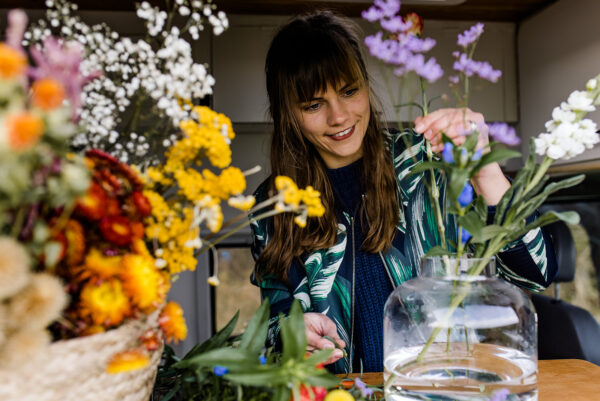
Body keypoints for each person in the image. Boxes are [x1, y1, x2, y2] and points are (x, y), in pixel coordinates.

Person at [249, 10, 557, 374]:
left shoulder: (429, 159)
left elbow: (537, 273)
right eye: (314, 105)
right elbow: (275, 324)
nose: (339, 116)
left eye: (350, 91)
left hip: (444, 390)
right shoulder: (274, 205)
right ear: (288, 113)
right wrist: (290, 334)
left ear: (366, 84)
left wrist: (485, 170)